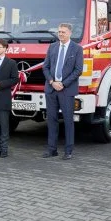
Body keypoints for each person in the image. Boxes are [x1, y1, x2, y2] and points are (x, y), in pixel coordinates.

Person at [42, 23, 83, 160]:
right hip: (51, 89)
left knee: (68, 120)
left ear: (70, 33)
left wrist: (63, 84)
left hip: (67, 90)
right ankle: (52, 149)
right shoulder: (52, 47)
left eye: (63, 32)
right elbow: (45, 67)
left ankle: (68, 151)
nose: (60, 34)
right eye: (59, 32)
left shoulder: (77, 49)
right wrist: (52, 82)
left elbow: (78, 70)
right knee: (52, 120)